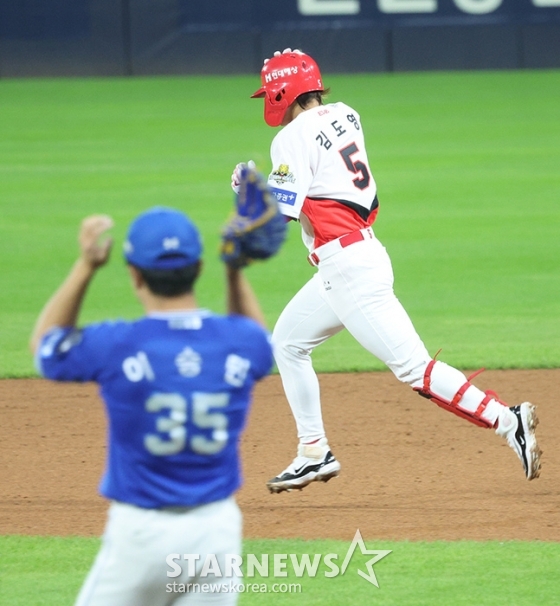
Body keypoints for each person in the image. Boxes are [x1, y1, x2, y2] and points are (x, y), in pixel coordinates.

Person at [231, 48, 542, 494]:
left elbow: (275, 221)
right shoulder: (346, 114)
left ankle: (507, 420)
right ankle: (314, 452)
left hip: (348, 268)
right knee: (288, 342)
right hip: (355, 259)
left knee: (415, 369)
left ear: (283, 91)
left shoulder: (291, 138)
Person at [30, 206, 274, 605]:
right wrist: (234, 271)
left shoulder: (117, 344)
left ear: (134, 273)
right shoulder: (238, 343)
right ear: (198, 268)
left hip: (142, 534)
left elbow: (46, 348)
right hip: (218, 533)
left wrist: (86, 266)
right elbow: (257, 341)